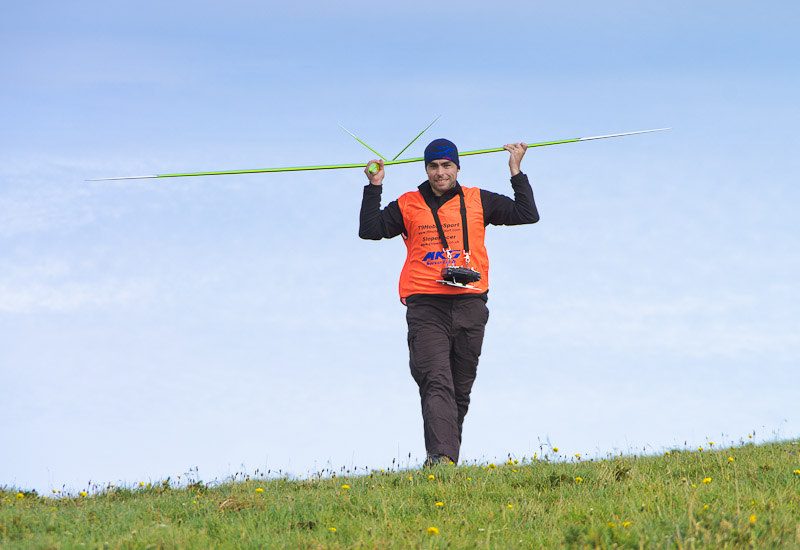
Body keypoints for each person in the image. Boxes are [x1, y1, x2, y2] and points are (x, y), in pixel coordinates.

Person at [358, 138, 539, 466]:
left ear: (457, 167)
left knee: (459, 387)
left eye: (446, 166)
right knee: (435, 378)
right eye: (433, 166)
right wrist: (374, 186)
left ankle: (445, 459)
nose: (440, 173)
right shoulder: (408, 204)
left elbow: (527, 214)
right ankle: (441, 459)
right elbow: (369, 230)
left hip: (470, 303)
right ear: (426, 169)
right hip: (426, 305)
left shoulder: (477, 200)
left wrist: (516, 170)